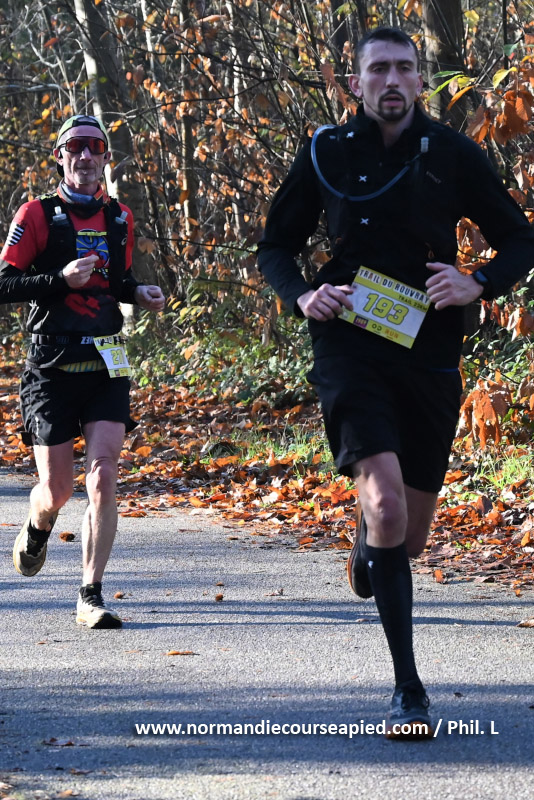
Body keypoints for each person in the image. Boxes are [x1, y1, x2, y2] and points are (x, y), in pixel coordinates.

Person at [257, 27, 534, 737]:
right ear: (356, 83)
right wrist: (302, 295)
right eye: (377, 68)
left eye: (403, 68)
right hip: (349, 344)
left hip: (429, 351)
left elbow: (521, 237)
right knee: (383, 506)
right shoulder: (325, 151)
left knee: (405, 539)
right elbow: (276, 245)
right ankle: (409, 691)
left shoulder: (453, 153)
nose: (390, 79)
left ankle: (369, 547)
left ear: (419, 81)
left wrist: (477, 282)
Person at [0, 114, 165, 629]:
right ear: (60, 157)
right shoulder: (36, 215)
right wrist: (59, 279)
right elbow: (4, 284)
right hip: (51, 365)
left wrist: (139, 292)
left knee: (105, 475)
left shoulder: (119, 217)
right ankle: (38, 522)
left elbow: (117, 281)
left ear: (106, 158)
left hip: (105, 363)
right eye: (75, 147)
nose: (86, 156)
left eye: (95, 147)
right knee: (57, 489)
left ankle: (90, 594)